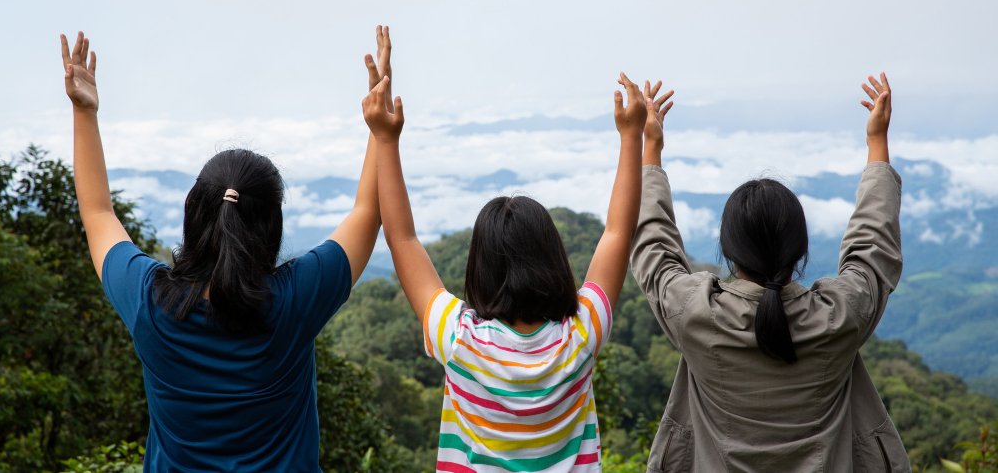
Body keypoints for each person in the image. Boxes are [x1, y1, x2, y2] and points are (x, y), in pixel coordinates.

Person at [59, 27, 393, 472]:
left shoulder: (150, 303)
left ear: (192, 214)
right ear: (272, 228)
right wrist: (381, 131)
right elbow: (368, 212)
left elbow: (98, 213)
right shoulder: (295, 301)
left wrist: (84, 111)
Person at [361, 60, 648, 472]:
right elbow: (618, 233)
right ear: (554, 260)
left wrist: (385, 139)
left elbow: (401, 239)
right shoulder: (581, 334)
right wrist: (632, 135)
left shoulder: (459, 339)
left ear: (479, 270)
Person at [630, 74, 909, 472]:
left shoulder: (695, 316)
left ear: (729, 252)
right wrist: (877, 142)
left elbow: (654, 248)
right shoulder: (840, 317)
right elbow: (873, 248)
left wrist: (651, 147)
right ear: (800, 249)